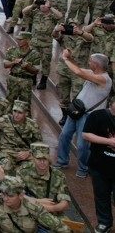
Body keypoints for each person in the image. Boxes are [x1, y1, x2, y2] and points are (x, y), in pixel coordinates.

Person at [52, 51, 111, 178]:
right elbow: (78, 69)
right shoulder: (93, 73)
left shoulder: (103, 79)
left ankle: (83, 167)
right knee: (64, 135)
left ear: (96, 64)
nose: (88, 63)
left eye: (90, 61)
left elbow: (78, 73)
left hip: (89, 116)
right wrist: (70, 58)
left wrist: (64, 59)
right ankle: (62, 160)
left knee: (81, 143)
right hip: (77, 112)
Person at [82, 95, 115, 232]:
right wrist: (109, 142)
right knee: (101, 196)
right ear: (110, 104)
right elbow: (86, 135)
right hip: (99, 166)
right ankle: (104, 222)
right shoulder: (97, 116)